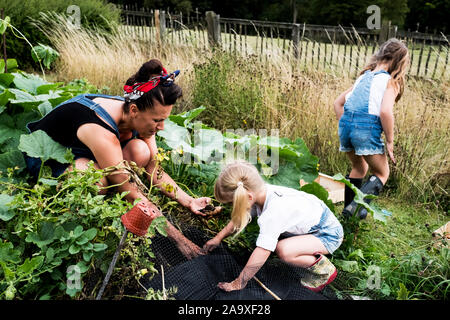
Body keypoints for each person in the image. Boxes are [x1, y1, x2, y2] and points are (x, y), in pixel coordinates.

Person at [24, 59, 213, 258]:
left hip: (90, 151)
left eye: (164, 120)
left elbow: (153, 167)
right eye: (157, 121)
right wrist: (178, 240)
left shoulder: (141, 109)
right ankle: (73, 211)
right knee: (96, 182)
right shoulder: (102, 130)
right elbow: (129, 189)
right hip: (49, 156)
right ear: (134, 111)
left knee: (141, 151)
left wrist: (188, 200)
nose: (161, 127)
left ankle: (111, 180)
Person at [202, 160, 343, 292]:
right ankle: (302, 247)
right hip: (317, 221)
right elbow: (239, 219)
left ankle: (324, 270)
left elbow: (263, 250)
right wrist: (218, 238)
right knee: (276, 241)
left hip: (327, 234)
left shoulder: (273, 212)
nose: (231, 208)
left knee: (283, 250)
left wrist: (239, 282)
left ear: (248, 197)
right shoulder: (262, 192)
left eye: (232, 204)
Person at [333, 38, 409, 219]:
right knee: (382, 173)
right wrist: (389, 141)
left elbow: (338, 103)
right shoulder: (391, 81)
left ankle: (348, 212)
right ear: (400, 62)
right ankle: (357, 206)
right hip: (366, 129)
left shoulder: (363, 77)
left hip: (346, 127)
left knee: (359, 167)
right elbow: (385, 112)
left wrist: (347, 126)